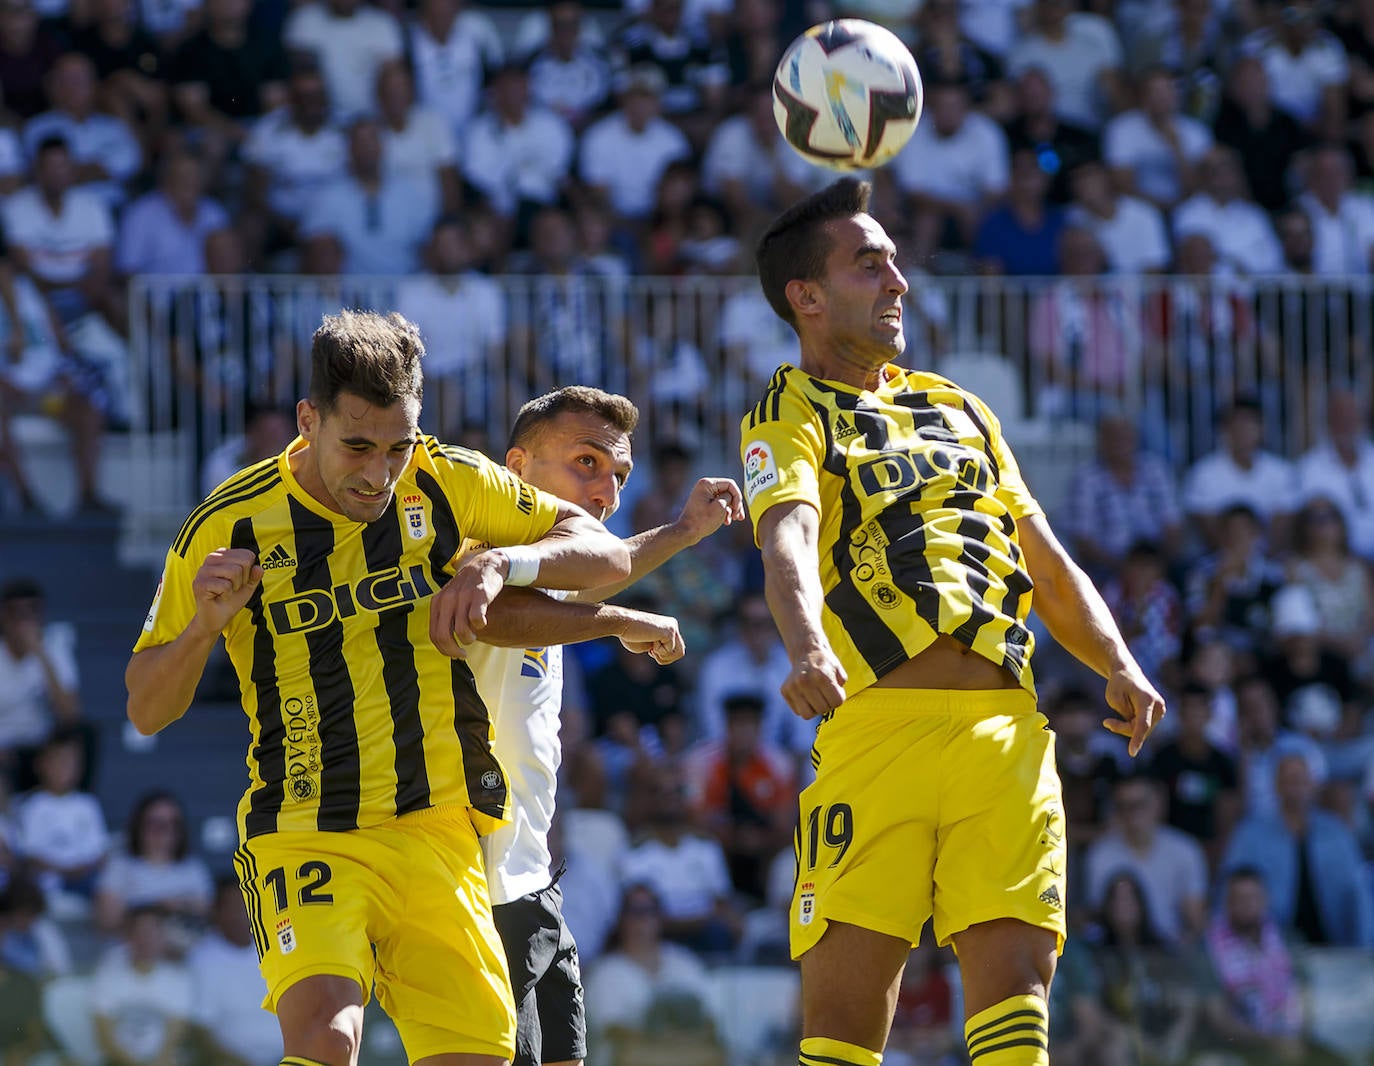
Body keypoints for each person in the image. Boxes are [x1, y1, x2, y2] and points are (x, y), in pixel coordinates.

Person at [125, 309, 633, 1066]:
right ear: (309, 419)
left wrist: (500, 563)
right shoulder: (230, 522)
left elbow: (603, 552)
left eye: (397, 447)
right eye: (356, 445)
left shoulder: (449, 480)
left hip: (438, 835)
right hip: (306, 827)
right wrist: (202, 628)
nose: (378, 473)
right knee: (330, 1036)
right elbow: (144, 708)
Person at [741, 178, 1164, 1066]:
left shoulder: (962, 407)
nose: (899, 282)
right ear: (805, 298)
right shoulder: (786, 413)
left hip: (1004, 737)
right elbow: (788, 534)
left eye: (896, 263)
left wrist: (1118, 661)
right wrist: (806, 642)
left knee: (1016, 1019)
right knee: (843, 1034)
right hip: (876, 735)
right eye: (871, 265)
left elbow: (1042, 558)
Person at [458, 383, 744, 1066]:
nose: (607, 494)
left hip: (530, 873)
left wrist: (682, 532)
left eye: (618, 475)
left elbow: (594, 573)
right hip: (481, 878)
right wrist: (621, 620)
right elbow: (492, 608)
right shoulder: (479, 541)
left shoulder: (540, 566)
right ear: (516, 468)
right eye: (586, 463)